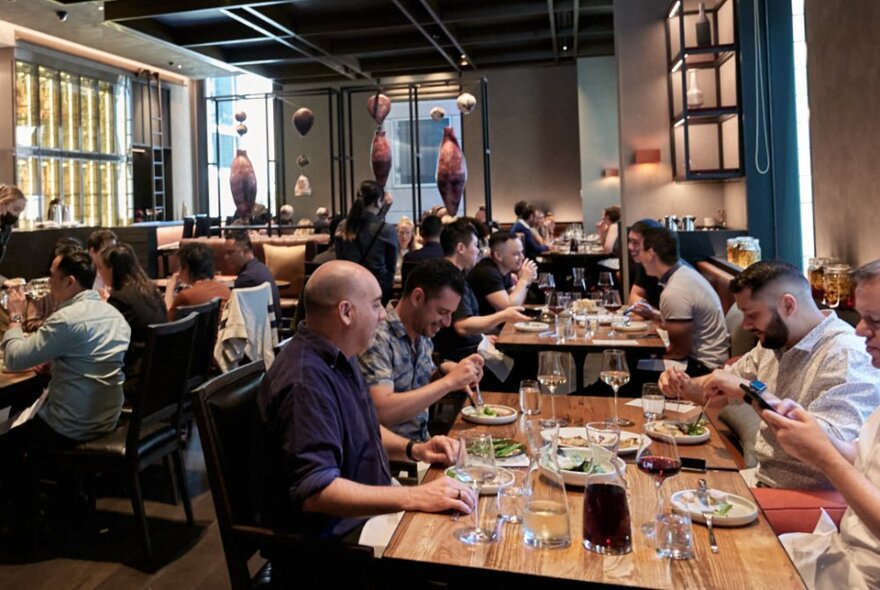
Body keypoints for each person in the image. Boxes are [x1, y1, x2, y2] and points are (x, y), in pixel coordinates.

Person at [254, 260, 475, 548]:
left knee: (470, 515)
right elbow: (316, 492)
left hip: (370, 509)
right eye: (375, 305)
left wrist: (415, 449)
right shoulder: (304, 380)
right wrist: (415, 496)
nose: (383, 315)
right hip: (334, 544)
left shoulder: (340, 355)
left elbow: (365, 427)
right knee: (460, 546)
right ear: (346, 312)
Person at [660, 260, 880, 489]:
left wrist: (750, 391)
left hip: (808, 499)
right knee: (671, 484)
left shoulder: (846, 354)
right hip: (762, 479)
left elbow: (833, 451)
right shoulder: (776, 343)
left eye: (752, 315)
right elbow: (718, 390)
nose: (745, 325)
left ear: (787, 305)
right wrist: (682, 385)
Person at [760, 260, 880, 589]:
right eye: (862, 317)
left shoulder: (846, 355)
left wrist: (823, 456)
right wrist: (814, 436)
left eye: (875, 321)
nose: (859, 330)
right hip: (840, 550)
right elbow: (866, 459)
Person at [2, 249, 131, 445]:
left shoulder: (66, 319)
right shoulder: (114, 315)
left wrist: (16, 316)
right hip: (106, 419)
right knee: (24, 401)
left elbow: (13, 360)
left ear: (69, 281)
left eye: (52, 275)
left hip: (70, 427)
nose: (48, 280)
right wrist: (57, 363)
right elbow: (91, 360)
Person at [359, 258, 485, 441]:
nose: (448, 322)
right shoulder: (377, 338)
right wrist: (449, 382)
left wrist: (446, 370)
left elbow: (417, 382)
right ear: (417, 297)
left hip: (423, 446)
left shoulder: (422, 333)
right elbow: (381, 411)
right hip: (393, 461)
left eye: (451, 313)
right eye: (442, 312)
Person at [630, 226, 729, 374]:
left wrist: (654, 356)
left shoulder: (675, 290)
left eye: (639, 248)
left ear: (651, 253)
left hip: (701, 367)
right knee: (633, 359)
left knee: (630, 368)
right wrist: (655, 315)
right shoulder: (683, 274)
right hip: (700, 360)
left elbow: (679, 351)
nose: (635, 252)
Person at [432, 220, 528, 362]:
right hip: (461, 356)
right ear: (461, 248)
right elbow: (462, 326)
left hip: (470, 346)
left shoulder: (452, 273)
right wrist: (504, 315)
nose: (478, 251)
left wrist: (481, 337)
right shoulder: (451, 278)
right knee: (525, 359)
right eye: (476, 245)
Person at [97, 242, 168, 399]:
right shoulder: (151, 291)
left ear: (112, 269)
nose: (100, 273)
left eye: (101, 268)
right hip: (163, 375)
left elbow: (106, 344)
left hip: (138, 383)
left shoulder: (121, 299)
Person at [335, 180, 398, 301]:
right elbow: (391, 269)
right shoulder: (387, 230)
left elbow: (340, 262)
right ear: (379, 201)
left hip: (349, 289)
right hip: (377, 290)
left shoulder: (343, 226)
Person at [468, 232, 538, 317]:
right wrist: (524, 280)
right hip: (483, 329)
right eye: (516, 254)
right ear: (498, 255)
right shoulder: (488, 273)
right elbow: (508, 307)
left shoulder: (504, 270)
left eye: (521, 252)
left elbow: (518, 302)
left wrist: (527, 281)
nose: (522, 257)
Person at [224, 230, 281, 328]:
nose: (226, 257)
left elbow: (235, 320)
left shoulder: (247, 279)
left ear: (246, 251)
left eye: (230, 252)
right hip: (272, 332)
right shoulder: (260, 267)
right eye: (225, 253)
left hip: (259, 337)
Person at [165, 241, 231, 320]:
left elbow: (166, 320)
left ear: (186, 268)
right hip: (220, 331)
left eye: (180, 266)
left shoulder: (186, 296)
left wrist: (170, 286)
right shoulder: (224, 289)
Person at [626, 218, 664, 309]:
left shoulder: (673, 269)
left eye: (635, 242)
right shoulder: (644, 263)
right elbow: (634, 297)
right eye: (630, 241)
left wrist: (651, 312)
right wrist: (649, 310)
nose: (629, 247)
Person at [0, 184, 26, 264]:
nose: (17, 215)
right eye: (15, 209)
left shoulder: (7, 228)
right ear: (2, 205)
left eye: (20, 212)